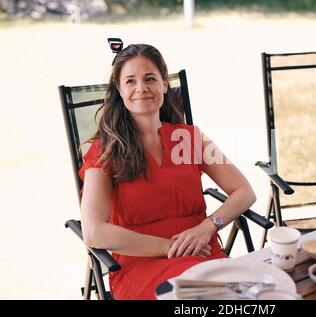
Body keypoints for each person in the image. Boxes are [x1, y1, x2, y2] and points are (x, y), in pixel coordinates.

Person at [78, 43, 257, 300]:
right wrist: (170, 247)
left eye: (150, 78)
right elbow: (94, 232)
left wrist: (208, 226)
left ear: (164, 85)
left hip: (202, 255)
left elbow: (244, 192)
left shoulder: (190, 139)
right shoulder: (104, 151)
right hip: (141, 264)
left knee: (253, 292)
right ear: (120, 90)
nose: (141, 88)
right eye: (130, 81)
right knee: (215, 296)